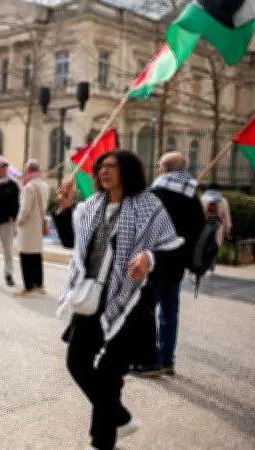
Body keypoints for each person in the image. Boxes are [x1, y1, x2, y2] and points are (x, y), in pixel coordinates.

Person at [53, 150, 183, 450]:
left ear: (128, 170)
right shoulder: (92, 206)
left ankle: (102, 441)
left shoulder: (148, 205)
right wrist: (65, 207)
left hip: (132, 302)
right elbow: (73, 243)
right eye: (101, 167)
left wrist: (149, 258)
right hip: (93, 298)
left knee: (111, 372)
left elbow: (173, 251)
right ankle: (120, 417)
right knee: (77, 362)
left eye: (112, 166)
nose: (104, 171)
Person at [131, 152, 205, 377]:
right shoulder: (192, 195)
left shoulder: (156, 193)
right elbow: (199, 227)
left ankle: (149, 361)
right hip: (179, 262)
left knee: (145, 309)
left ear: (163, 168)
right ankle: (167, 360)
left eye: (158, 165)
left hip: (156, 261)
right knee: (170, 310)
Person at [14, 159, 49, 297]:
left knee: (25, 255)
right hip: (38, 224)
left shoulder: (29, 187)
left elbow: (25, 208)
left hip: (28, 226)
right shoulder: (44, 185)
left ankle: (28, 287)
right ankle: (39, 285)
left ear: (27, 170)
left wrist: (19, 221)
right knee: (36, 255)